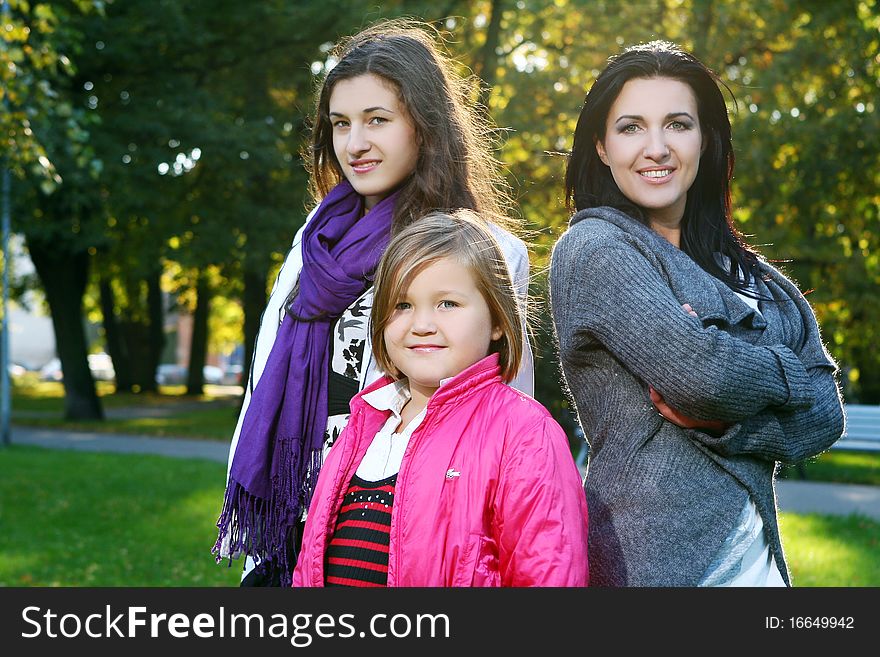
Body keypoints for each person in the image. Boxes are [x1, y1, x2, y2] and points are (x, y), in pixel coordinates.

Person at [213, 19, 534, 587]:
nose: (354, 144)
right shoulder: (315, 241)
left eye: (377, 120)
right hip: (293, 536)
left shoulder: (485, 249)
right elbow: (266, 376)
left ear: (424, 127)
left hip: (398, 541)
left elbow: (509, 415)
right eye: (341, 124)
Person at [549, 41, 844, 586]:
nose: (656, 147)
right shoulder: (595, 248)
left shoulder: (750, 274)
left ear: (706, 141)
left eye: (678, 125)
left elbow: (826, 415)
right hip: (655, 569)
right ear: (602, 144)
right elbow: (704, 379)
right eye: (631, 127)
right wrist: (789, 374)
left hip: (761, 569)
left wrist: (733, 428)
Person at [293, 211, 589, 587]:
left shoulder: (524, 433)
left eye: (447, 303)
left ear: (498, 320)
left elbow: (550, 575)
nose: (421, 325)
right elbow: (311, 561)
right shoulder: (364, 422)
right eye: (402, 305)